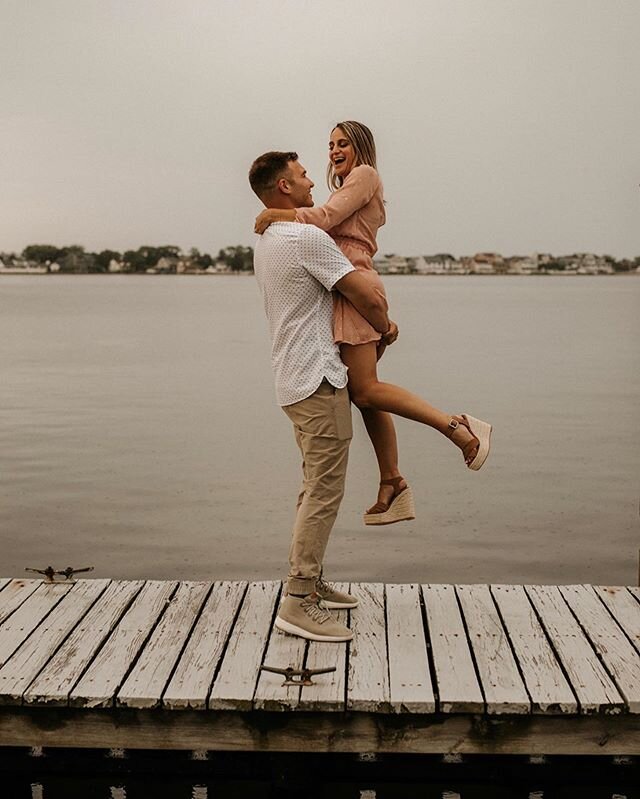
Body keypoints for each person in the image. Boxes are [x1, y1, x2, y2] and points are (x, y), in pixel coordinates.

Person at [255, 122, 492, 529]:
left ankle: (457, 427)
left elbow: (325, 218)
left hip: (355, 281)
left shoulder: (365, 175)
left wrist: (276, 213)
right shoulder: (348, 185)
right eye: (330, 144)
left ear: (360, 146)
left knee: (366, 389)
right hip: (343, 286)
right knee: (365, 395)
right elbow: (328, 217)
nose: (333, 151)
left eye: (342, 143)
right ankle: (392, 481)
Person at [249, 150, 397, 642]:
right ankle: (297, 601)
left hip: (291, 380)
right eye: (303, 174)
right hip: (318, 379)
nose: (313, 178)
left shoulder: (269, 238)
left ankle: (309, 582)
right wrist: (386, 328)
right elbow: (366, 295)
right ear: (285, 188)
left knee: (313, 485)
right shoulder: (306, 237)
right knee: (325, 492)